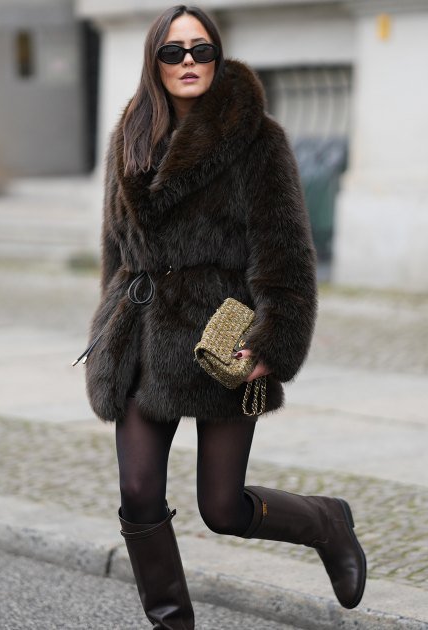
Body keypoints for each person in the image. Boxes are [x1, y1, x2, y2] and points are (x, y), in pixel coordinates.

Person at [79, 5, 366, 628]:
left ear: (217, 55)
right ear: (154, 61)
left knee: (222, 509)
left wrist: (273, 344)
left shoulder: (258, 139)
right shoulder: (129, 134)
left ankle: (325, 522)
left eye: (201, 50)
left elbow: (286, 253)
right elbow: (114, 247)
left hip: (223, 341)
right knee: (138, 493)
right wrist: (107, 332)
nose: (188, 62)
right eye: (174, 51)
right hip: (142, 336)